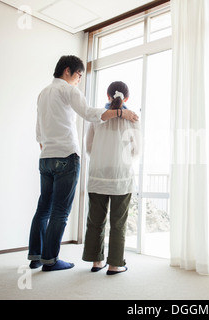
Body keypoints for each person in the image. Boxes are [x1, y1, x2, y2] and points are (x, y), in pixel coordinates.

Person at [28, 56, 139, 272]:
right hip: (66, 155)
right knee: (60, 211)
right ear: (68, 71)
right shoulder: (68, 90)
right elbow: (89, 114)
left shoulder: (43, 93)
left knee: (43, 208)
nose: (79, 80)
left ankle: (36, 257)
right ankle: (50, 260)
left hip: (46, 156)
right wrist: (120, 112)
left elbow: (39, 129)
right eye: (79, 75)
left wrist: (47, 150)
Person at [82, 81, 142, 275]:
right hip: (121, 176)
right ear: (127, 98)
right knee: (118, 223)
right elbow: (137, 150)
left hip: (98, 175)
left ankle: (96, 261)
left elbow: (89, 147)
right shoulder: (132, 118)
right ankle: (115, 264)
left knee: (95, 221)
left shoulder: (97, 117)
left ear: (108, 96)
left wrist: (102, 158)